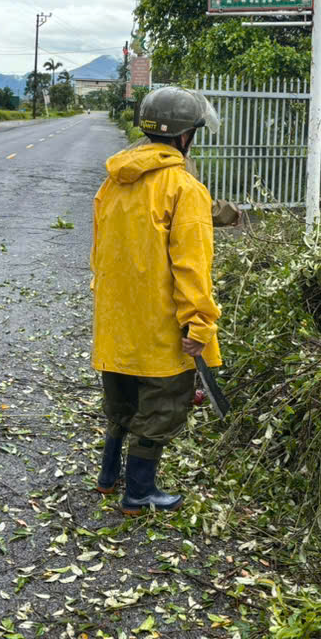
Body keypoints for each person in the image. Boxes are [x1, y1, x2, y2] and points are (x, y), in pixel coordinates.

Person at [91, 86, 221, 514]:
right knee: (161, 409)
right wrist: (200, 324)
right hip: (161, 324)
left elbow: (99, 252)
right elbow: (192, 268)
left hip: (116, 320)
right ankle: (139, 492)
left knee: (122, 403)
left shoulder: (113, 181)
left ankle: (109, 478)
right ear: (186, 136)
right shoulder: (183, 188)